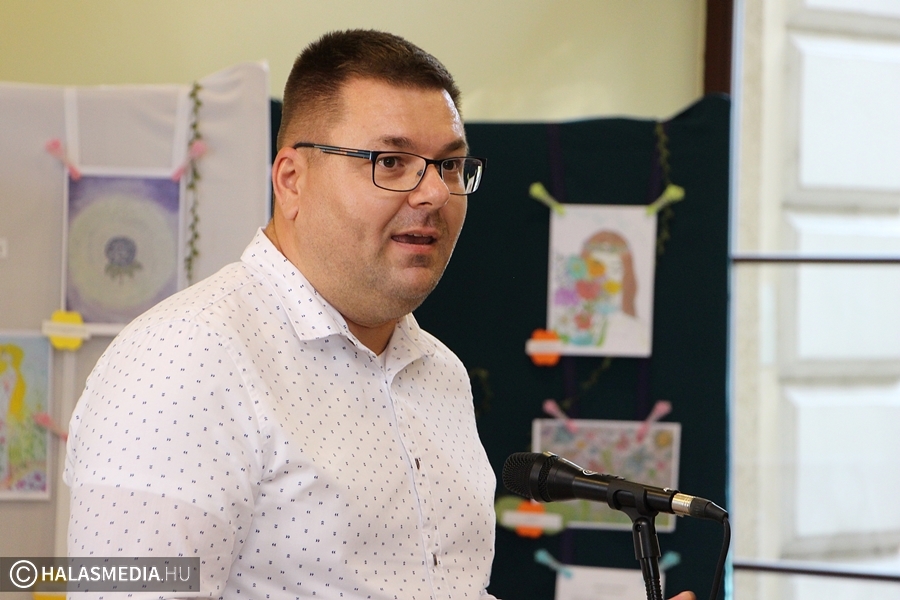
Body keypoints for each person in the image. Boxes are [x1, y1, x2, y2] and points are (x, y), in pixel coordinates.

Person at [64, 29, 695, 600]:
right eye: (390, 162)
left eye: (450, 165)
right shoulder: (183, 359)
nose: (434, 192)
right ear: (291, 180)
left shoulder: (439, 373)